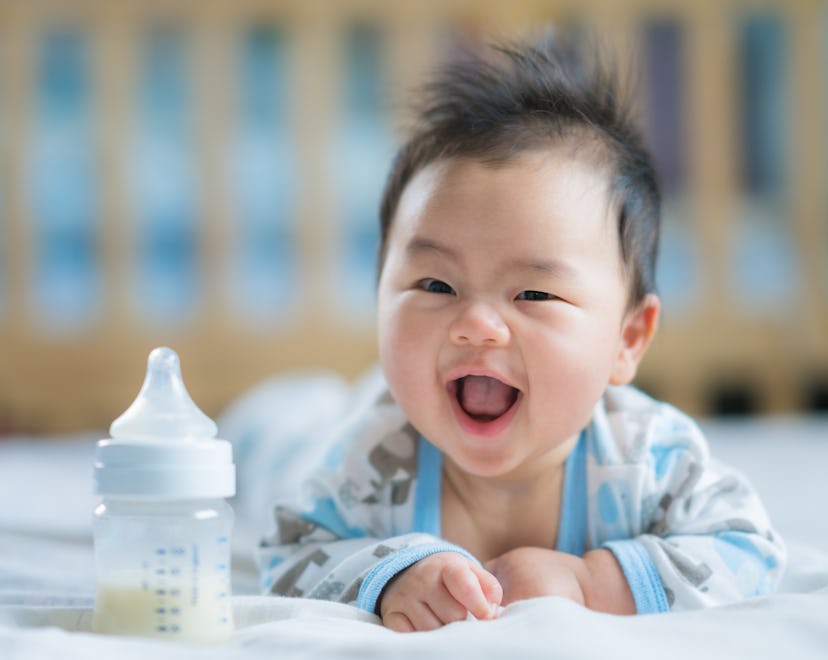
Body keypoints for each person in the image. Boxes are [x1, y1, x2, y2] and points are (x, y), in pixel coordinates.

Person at [259, 32, 785, 632]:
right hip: (311, 427)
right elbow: (286, 555)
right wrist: (390, 575)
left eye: (533, 293)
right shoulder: (373, 460)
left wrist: (592, 582)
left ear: (629, 339)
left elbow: (749, 547)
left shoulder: (644, 459)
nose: (476, 326)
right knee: (281, 435)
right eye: (435, 286)